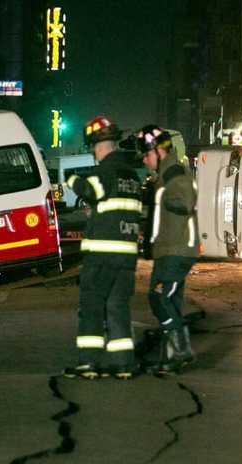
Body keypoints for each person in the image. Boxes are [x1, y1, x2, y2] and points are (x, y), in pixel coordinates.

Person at [63, 116, 143, 380]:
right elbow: (117, 208)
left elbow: (89, 190)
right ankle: (124, 364)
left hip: (101, 256)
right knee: (118, 308)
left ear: (97, 147)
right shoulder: (131, 176)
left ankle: (88, 364)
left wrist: (71, 179)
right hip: (126, 256)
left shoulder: (104, 171)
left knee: (92, 308)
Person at [134, 126, 200, 374]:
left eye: (145, 154)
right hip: (169, 249)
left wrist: (175, 203)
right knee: (169, 300)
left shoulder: (174, 173)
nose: (143, 159)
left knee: (160, 298)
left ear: (158, 151)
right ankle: (171, 356)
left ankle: (181, 351)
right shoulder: (163, 175)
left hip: (177, 250)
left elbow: (185, 200)